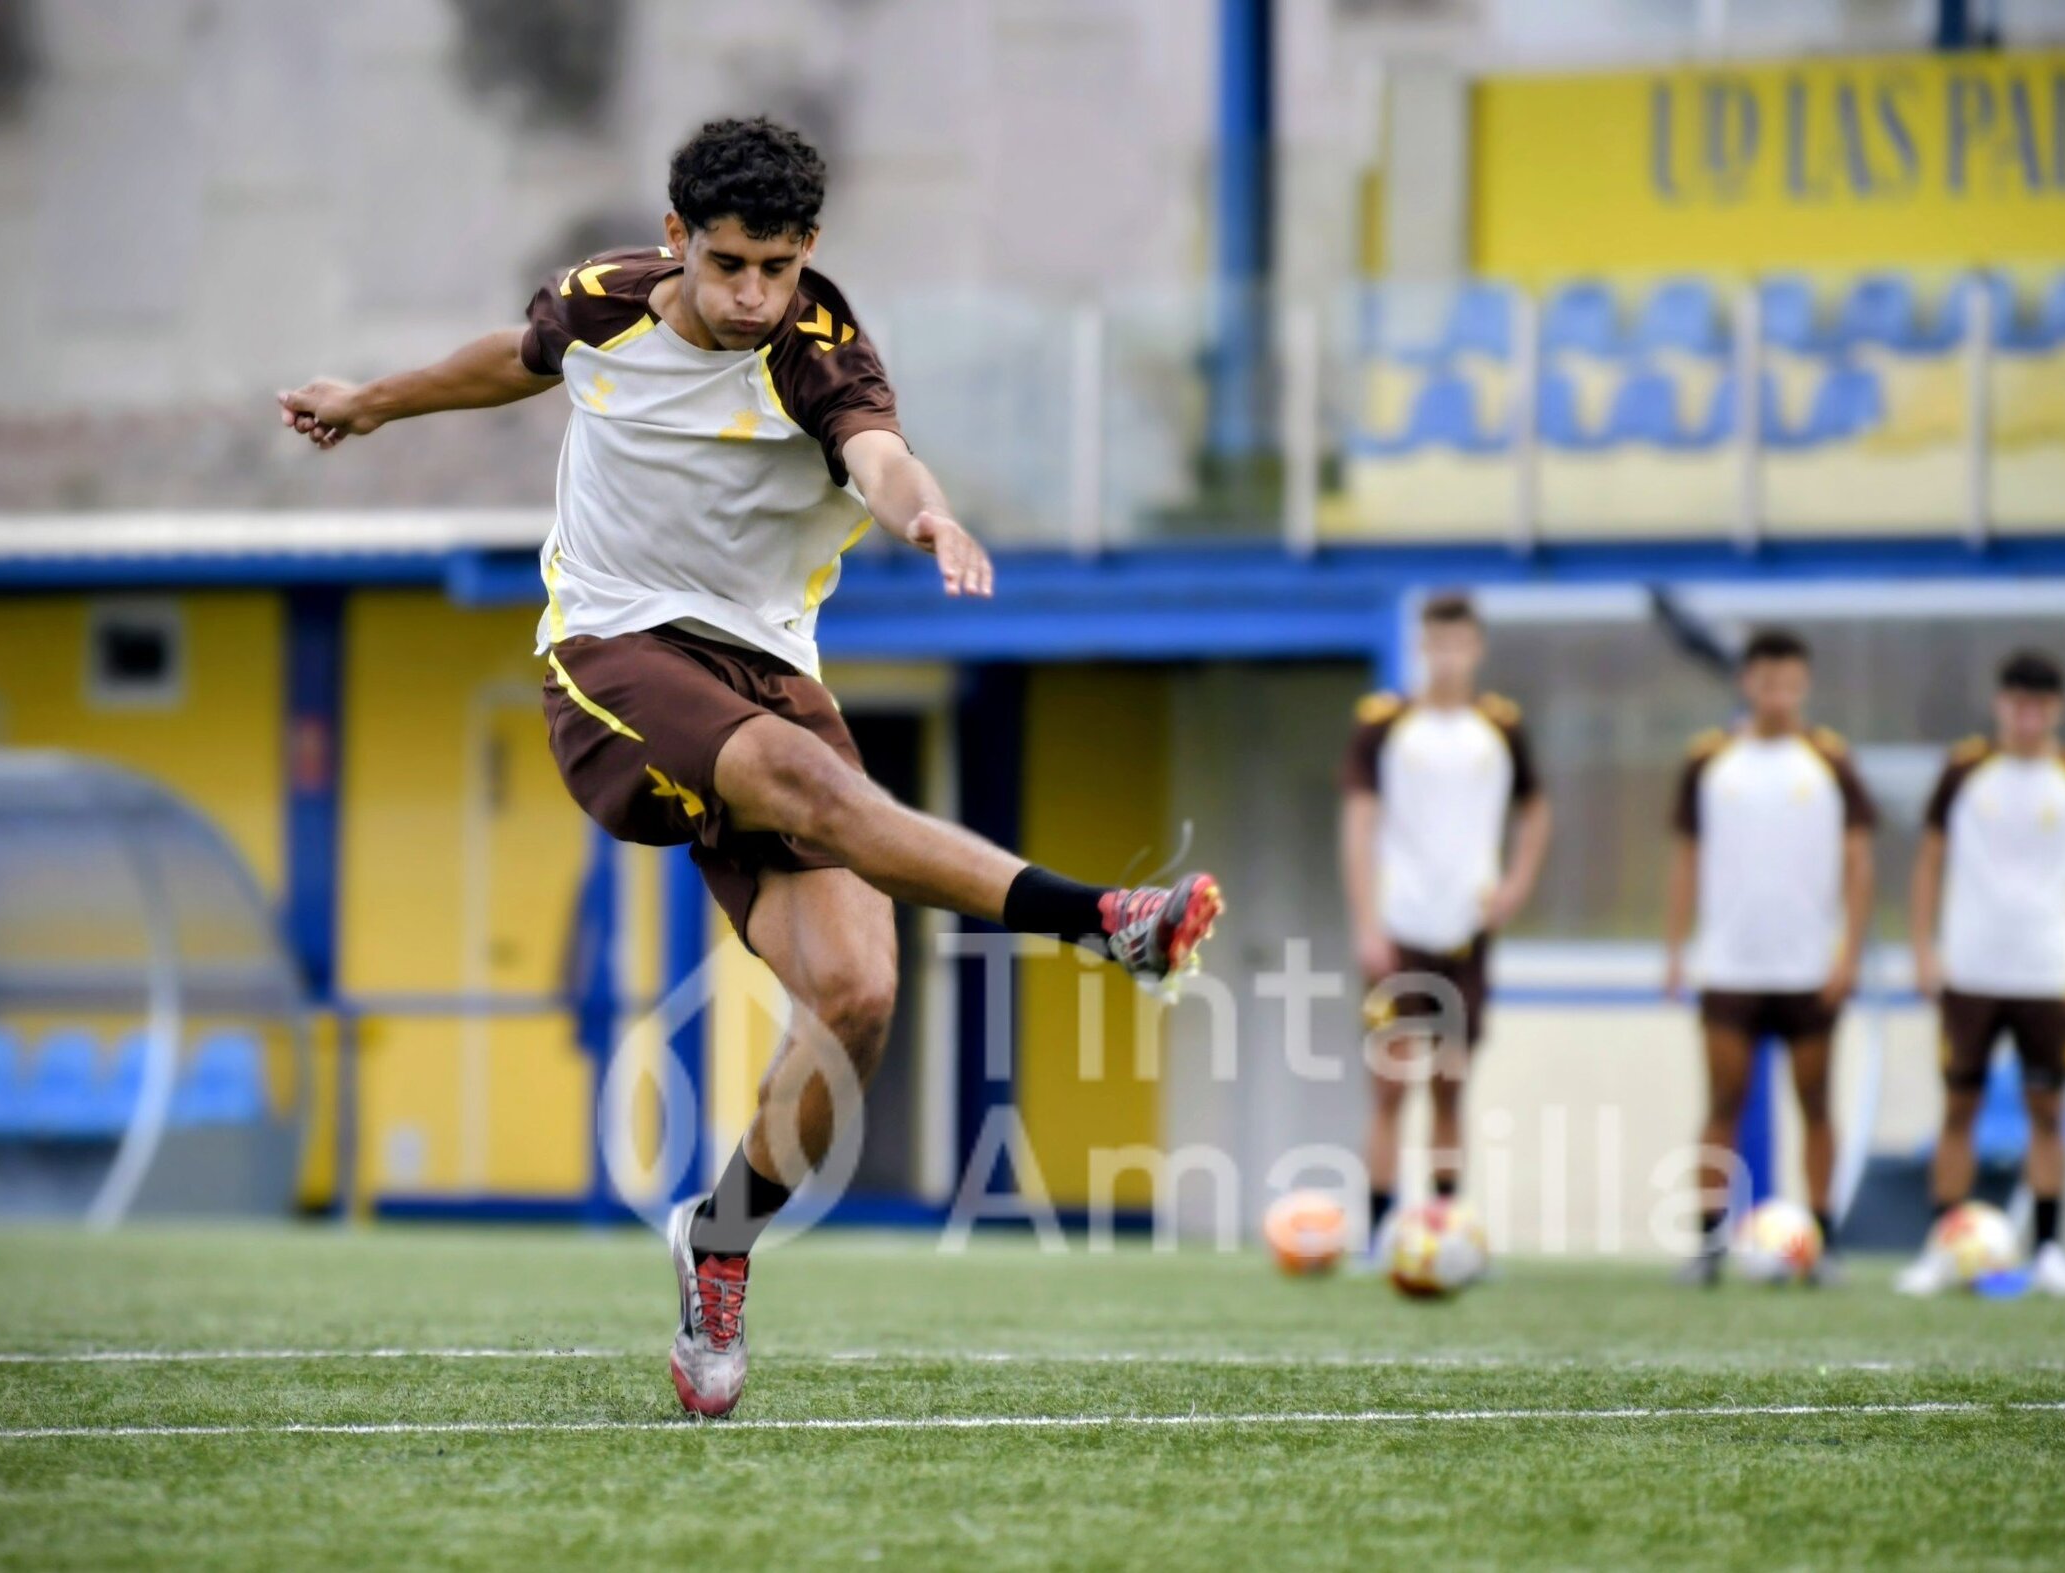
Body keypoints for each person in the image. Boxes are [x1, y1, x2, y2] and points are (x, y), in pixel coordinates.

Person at [274, 117, 1221, 1416]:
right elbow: (515, 356)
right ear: (678, 239)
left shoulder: (818, 352)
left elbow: (880, 459)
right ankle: (1103, 918)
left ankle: (718, 1243)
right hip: (613, 652)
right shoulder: (604, 301)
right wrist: (371, 401)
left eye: (778, 267)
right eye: (728, 265)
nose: (752, 295)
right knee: (813, 786)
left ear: (807, 250)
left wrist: (930, 512)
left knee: (859, 996)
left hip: (768, 669)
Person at [1339, 594, 1553, 1260]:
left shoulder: (1500, 727)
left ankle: (1448, 1229)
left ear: (1477, 648)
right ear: (1421, 646)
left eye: (1459, 643)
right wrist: (1368, 922)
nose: (1448, 656)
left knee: (1450, 1084)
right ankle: (1378, 1232)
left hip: (1467, 928)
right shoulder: (1385, 724)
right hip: (1402, 924)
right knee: (1390, 1084)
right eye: (1437, 643)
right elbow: (1359, 823)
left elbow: (1536, 809)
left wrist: (1516, 884)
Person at [1663, 629, 1876, 1287]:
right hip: (1730, 963)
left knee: (1816, 1102)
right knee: (1722, 1100)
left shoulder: (1829, 761)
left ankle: (1824, 1240)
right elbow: (1687, 859)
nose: (1777, 694)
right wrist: (1675, 950)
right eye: (1765, 681)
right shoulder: (1711, 761)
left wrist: (1849, 951)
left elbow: (1859, 860)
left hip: (1808, 965)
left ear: (1803, 686)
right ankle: (1707, 1243)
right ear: (1745, 683)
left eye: (1788, 682)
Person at [1897, 651, 2065, 1298]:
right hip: (1970, 969)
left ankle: (2048, 1249)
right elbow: (1929, 860)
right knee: (1958, 1107)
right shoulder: (1964, 771)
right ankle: (1941, 1248)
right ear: (2000, 704)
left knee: (2047, 1110)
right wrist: (1923, 949)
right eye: (2018, 702)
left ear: (2058, 708)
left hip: (2048, 972)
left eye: (2040, 704)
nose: (2028, 716)